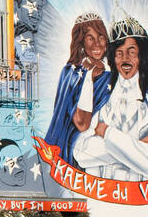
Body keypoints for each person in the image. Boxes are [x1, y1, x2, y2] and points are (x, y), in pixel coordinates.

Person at [72, 15, 148, 181]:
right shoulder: (102, 91)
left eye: (131, 52)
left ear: (141, 56)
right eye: (119, 53)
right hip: (99, 197)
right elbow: (81, 153)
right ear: (114, 59)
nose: (125, 59)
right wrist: (143, 143)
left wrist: (108, 133)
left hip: (144, 199)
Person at [46, 13, 112, 161]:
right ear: (81, 42)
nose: (97, 44)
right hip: (77, 152)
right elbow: (82, 123)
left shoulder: (112, 75)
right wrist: (88, 77)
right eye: (90, 38)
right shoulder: (71, 73)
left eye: (101, 37)